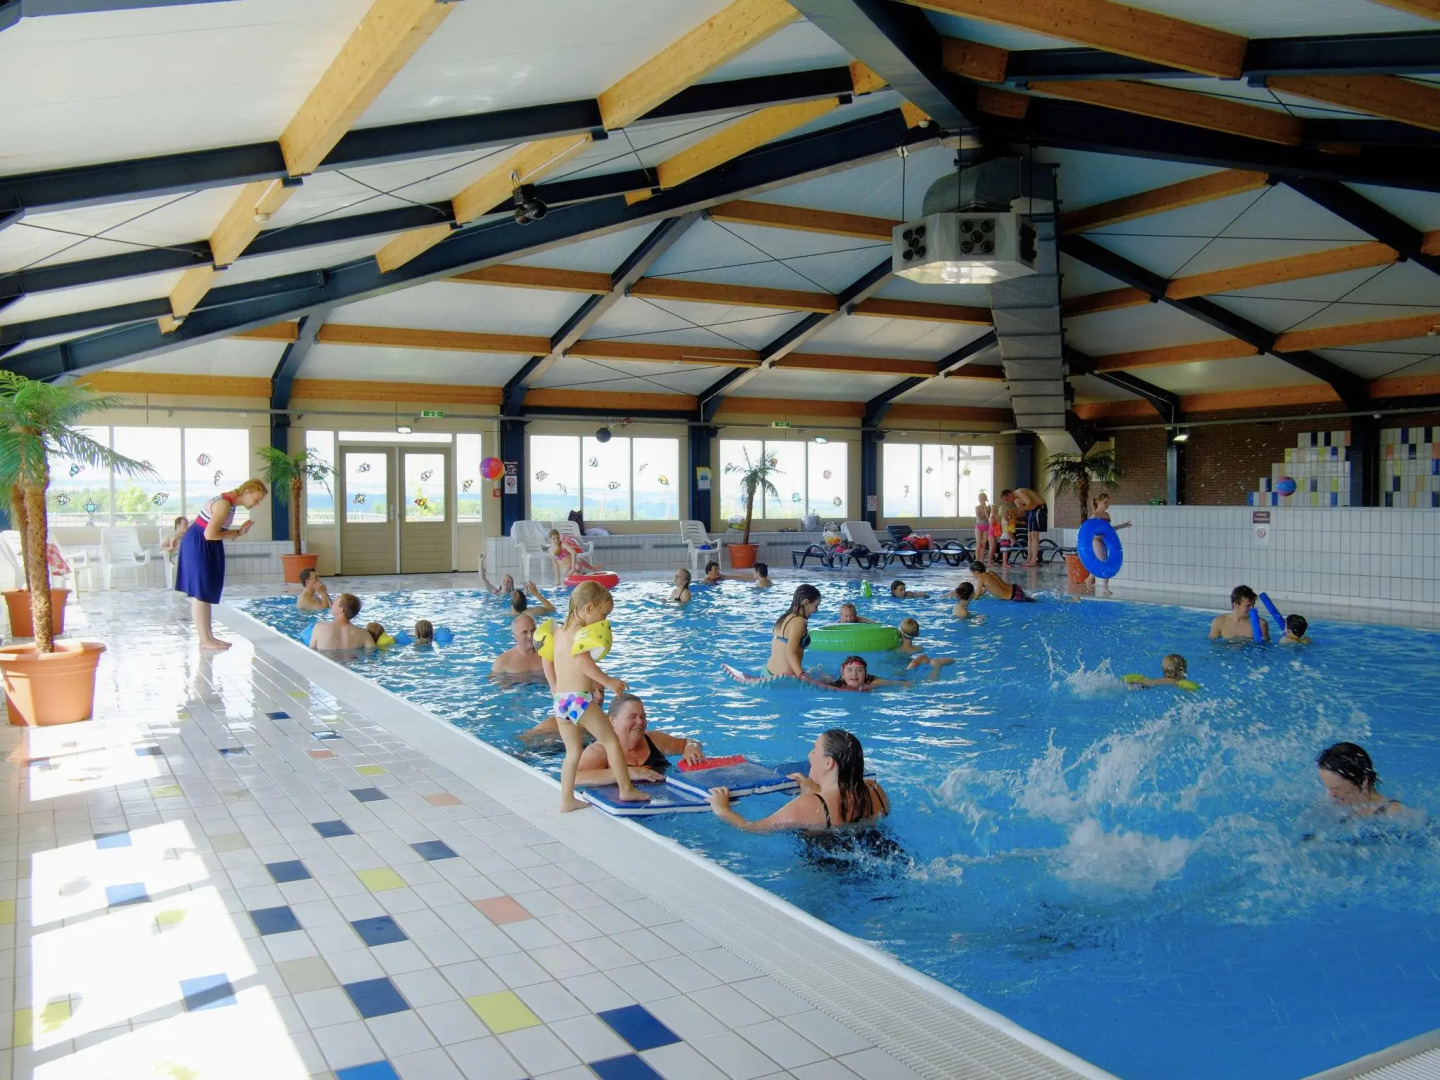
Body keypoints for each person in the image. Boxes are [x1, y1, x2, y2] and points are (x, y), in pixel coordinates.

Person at [539, 581, 646, 812]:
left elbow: (545, 658)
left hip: (561, 701)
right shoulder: (579, 633)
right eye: (603, 614)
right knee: (611, 742)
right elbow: (582, 662)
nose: (603, 621)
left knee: (573, 752)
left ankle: (566, 800)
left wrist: (554, 686)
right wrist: (609, 682)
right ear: (588, 609)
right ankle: (626, 790)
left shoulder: (559, 632)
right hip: (579, 699)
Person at [707, 729, 890, 831]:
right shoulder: (875, 790)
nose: (809, 755)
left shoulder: (808, 804)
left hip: (827, 873)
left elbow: (753, 828)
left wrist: (723, 810)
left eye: (814, 750)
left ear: (828, 763)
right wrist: (815, 793)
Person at [175, 479, 268, 650]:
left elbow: (214, 532)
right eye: (257, 499)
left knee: (205, 593)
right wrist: (235, 532)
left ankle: (208, 637)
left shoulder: (229, 503)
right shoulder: (224, 504)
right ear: (246, 491)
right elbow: (210, 534)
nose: (257, 504)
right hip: (200, 543)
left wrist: (239, 532)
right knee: (201, 593)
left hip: (204, 543)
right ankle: (204, 639)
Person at [574, 694, 704, 787]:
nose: (640, 722)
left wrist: (692, 747)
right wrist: (626, 772)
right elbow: (575, 778)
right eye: (632, 717)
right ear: (612, 720)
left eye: (643, 716)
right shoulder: (600, 751)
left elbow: (689, 742)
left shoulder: (653, 739)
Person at [1317, 743, 1405, 816]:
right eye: (1327, 787)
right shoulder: (1332, 802)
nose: (1330, 795)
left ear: (1363, 780)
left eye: (1336, 788)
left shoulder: (1393, 812)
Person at [767, 584, 821, 677]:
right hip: (783, 679)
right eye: (816, 605)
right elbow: (790, 653)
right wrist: (802, 675)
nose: (817, 610)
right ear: (806, 602)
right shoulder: (799, 621)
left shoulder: (785, 616)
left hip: (768, 673)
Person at [1086, 492, 1132, 596]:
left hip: (1104, 541)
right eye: (1105, 502)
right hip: (1097, 541)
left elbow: (1110, 530)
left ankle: (1105, 588)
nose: (1107, 505)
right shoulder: (1095, 515)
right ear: (1098, 502)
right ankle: (1089, 579)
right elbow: (1088, 530)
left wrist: (1123, 525)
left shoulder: (1106, 515)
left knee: (1108, 562)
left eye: (1108, 503)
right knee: (1102, 561)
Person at [309, 593, 375, 652]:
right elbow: (372, 655)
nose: (332, 603)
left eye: (335, 601)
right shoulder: (364, 635)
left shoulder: (319, 628)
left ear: (340, 610)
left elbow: (311, 654)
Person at [1003, 487, 1047, 568]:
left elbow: (1029, 503)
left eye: (1007, 500)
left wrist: (1017, 509)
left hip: (1040, 507)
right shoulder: (1016, 500)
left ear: (1009, 495)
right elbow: (1022, 513)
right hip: (1032, 510)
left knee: (1034, 535)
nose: (1007, 502)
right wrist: (1012, 513)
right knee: (1029, 535)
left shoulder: (1019, 492)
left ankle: (1034, 560)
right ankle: (1029, 559)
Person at [1126, 654, 1190, 689]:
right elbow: (1191, 687)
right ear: (1181, 670)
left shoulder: (1161, 680)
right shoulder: (1176, 682)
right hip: (1142, 686)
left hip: (1139, 683)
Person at [974, 493, 992, 563]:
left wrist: (984, 508)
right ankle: (977, 560)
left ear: (985, 499)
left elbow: (988, 517)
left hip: (986, 526)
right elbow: (979, 517)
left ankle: (981, 560)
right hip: (979, 526)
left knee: (983, 544)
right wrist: (984, 515)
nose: (981, 500)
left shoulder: (988, 507)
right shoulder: (977, 507)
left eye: (983, 499)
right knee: (978, 543)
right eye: (980, 499)